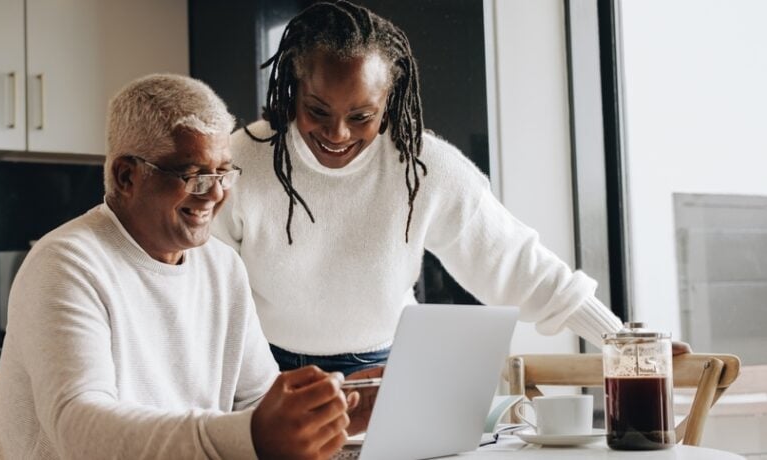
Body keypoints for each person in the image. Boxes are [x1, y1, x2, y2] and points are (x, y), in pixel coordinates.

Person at [213, 0, 687, 378]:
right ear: (292, 90)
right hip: (265, 370)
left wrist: (620, 339)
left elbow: (517, 264)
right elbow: (204, 289)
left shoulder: (423, 167)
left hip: (385, 369)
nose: (337, 133)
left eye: (361, 117)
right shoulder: (241, 162)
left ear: (389, 102)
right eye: (318, 110)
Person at [0, 74, 354, 459]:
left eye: (222, 173)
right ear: (126, 176)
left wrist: (337, 410)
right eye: (192, 174)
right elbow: (79, 429)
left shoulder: (222, 266)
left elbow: (258, 401)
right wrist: (250, 434)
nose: (214, 192)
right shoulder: (66, 264)